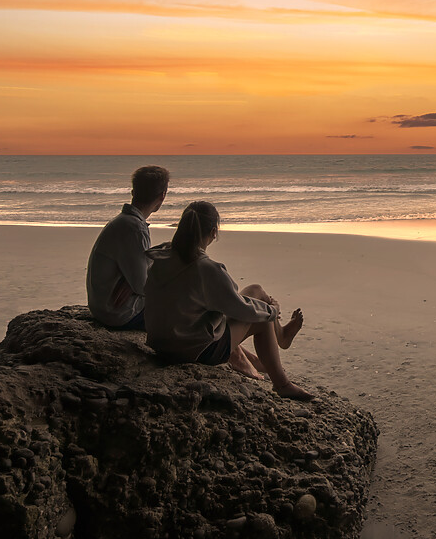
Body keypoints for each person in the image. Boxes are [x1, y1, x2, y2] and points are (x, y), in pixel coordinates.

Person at [144, 200, 312, 401]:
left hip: (160, 342)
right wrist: (273, 310)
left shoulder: (161, 256)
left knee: (255, 290)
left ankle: (282, 335)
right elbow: (240, 310)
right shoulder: (206, 269)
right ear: (214, 232)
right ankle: (282, 383)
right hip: (191, 349)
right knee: (262, 318)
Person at [85, 165, 170, 330]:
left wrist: (130, 282)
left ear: (133, 192)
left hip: (103, 306)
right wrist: (135, 284)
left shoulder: (123, 222)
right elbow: (143, 286)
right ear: (162, 196)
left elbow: (139, 275)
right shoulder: (134, 229)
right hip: (119, 313)